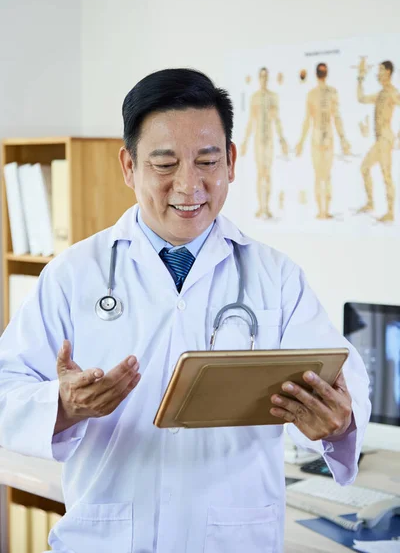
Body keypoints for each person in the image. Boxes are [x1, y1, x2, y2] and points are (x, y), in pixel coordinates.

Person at [0, 69, 370, 553]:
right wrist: (64, 406)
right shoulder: (74, 273)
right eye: (165, 163)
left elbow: (343, 378)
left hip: (233, 540)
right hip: (106, 538)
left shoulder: (275, 277)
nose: (189, 185)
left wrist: (339, 422)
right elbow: (6, 386)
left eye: (207, 161)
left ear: (231, 162)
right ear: (128, 166)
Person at [296, 62, 351, 219]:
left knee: (325, 175)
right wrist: (300, 142)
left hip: (327, 139)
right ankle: (321, 211)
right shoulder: (312, 94)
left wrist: (343, 139)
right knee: (320, 175)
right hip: (318, 138)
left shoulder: (331, 92)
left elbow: (337, 117)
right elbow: (307, 120)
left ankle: (325, 211)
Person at [241, 67, 288, 219]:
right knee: (260, 173)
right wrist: (245, 142)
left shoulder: (273, 97)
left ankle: (266, 207)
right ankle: (261, 207)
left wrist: (282, 139)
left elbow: (277, 119)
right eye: (261, 77)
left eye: (265, 77)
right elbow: (251, 121)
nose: (264, 79)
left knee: (267, 173)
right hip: (258, 140)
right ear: (258, 78)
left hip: (269, 140)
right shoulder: (254, 97)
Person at [357, 58, 400, 223]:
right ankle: (370, 203)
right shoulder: (381, 93)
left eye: (381, 70)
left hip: (385, 138)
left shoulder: (392, 92)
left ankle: (390, 212)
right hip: (379, 140)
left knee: (386, 175)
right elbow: (360, 98)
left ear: (388, 72)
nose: (378, 73)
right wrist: (360, 77)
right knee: (365, 168)